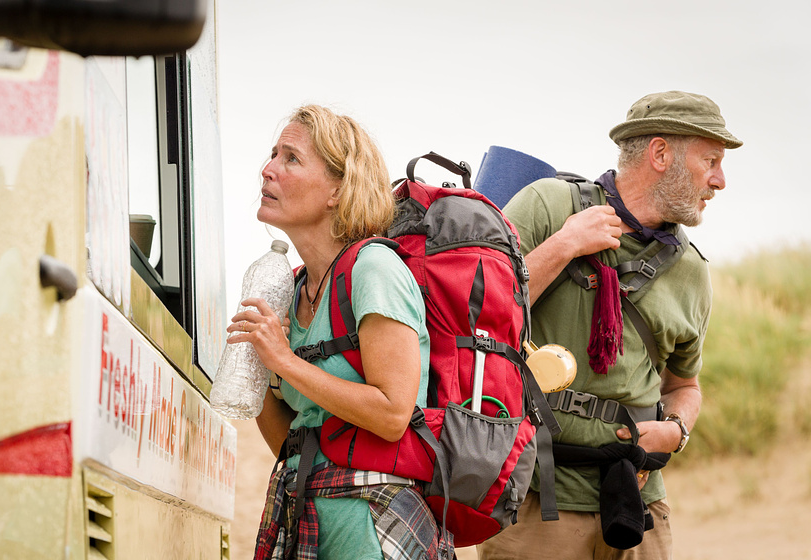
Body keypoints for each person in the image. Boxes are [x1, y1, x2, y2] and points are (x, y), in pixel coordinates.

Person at [478, 91, 742, 560]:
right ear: (661, 154)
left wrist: (677, 430)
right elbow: (478, 317)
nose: (720, 180)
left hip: (638, 503)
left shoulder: (692, 272)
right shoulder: (548, 206)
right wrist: (565, 244)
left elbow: (684, 384)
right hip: (538, 499)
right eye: (711, 161)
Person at [226, 105, 444, 560]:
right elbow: (294, 440)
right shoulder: (294, 285)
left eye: (291, 158)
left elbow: (391, 414)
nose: (267, 170)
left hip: (372, 527)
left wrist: (284, 361)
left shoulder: (375, 270)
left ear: (338, 190)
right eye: (272, 155)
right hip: (306, 514)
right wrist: (260, 367)